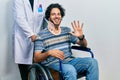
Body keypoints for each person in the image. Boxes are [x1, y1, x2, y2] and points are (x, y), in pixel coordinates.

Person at [33, 3, 99, 80]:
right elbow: (36, 58)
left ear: (61, 17)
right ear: (48, 17)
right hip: (53, 64)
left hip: (70, 61)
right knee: (70, 70)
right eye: (53, 14)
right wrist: (49, 52)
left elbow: (84, 45)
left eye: (59, 14)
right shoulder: (41, 35)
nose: (56, 16)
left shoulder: (66, 31)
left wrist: (81, 37)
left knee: (92, 62)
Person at [12, 0, 55, 80]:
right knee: (25, 70)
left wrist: (53, 24)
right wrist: (31, 34)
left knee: (38, 68)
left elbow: (45, 15)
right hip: (23, 39)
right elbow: (20, 18)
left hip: (37, 38)